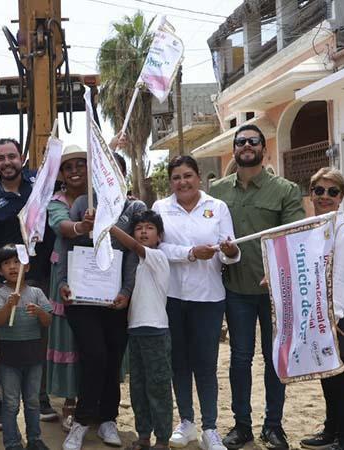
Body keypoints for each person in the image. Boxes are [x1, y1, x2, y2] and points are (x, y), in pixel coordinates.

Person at [209, 125, 305, 450]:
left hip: (275, 293)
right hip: (236, 291)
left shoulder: (285, 190)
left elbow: (293, 235)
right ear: (234, 149)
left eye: (253, 141)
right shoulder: (217, 191)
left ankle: (273, 426)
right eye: (240, 142)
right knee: (239, 359)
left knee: (275, 358)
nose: (246, 145)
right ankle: (242, 426)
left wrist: (277, 272)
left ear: (263, 148)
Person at [60, 141, 146, 449]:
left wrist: (126, 291)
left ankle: (108, 420)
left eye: (117, 174)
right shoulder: (85, 202)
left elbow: (136, 255)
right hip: (82, 299)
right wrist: (64, 284)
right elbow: (69, 246)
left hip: (117, 301)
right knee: (93, 356)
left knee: (112, 359)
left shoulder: (136, 209)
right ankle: (82, 421)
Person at [153, 156, 240, 450]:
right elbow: (157, 248)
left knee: (205, 364)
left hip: (209, 298)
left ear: (199, 177)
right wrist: (190, 253)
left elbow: (230, 253)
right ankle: (187, 422)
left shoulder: (217, 207)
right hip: (172, 298)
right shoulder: (160, 208)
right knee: (179, 363)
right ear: (170, 181)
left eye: (187, 175)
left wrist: (229, 250)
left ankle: (211, 428)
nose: (182, 182)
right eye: (176, 177)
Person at [0, 138, 57, 429]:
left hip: (41, 276)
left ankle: (41, 397)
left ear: (22, 158)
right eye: (1, 158)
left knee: (38, 339)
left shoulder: (40, 184)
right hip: (4, 283)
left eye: (12, 156)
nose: (7, 162)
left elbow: (71, 169)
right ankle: (2, 403)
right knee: (4, 343)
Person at [297, 168, 344, 450]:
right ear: (311, 194)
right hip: (320, 315)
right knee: (328, 377)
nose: (325, 197)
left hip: (338, 317)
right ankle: (330, 431)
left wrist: (331, 318)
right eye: (319, 191)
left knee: (341, 378)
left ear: (341, 197)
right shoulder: (315, 228)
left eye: (332, 191)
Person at [107, 211, 173, 450]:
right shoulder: (136, 264)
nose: (144, 232)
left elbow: (134, 246)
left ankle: (163, 439)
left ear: (159, 236)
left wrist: (110, 227)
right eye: (139, 228)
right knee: (138, 388)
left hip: (156, 332)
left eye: (149, 228)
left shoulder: (157, 257)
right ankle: (144, 436)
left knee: (159, 387)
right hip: (135, 332)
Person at [44, 145, 90, 431]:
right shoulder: (55, 201)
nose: (74, 171)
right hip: (65, 275)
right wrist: (82, 227)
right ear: (61, 173)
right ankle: (70, 401)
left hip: (100, 274)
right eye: (68, 167)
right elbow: (62, 226)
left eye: (80, 165)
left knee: (95, 338)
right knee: (68, 338)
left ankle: (94, 400)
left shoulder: (102, 197)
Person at [0, 244, 53, 450]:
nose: (12, 267)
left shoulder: (36, 292)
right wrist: (9, 305)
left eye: (16, 262)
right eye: (6, 263)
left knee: (33, 401)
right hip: (9, 358)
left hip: (34, 356)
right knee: (10, 403)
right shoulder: (0, 294)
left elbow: (48, 321)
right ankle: (12, 441)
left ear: (26, 266)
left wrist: (40, 313)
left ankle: (34, 439)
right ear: (0, 271)